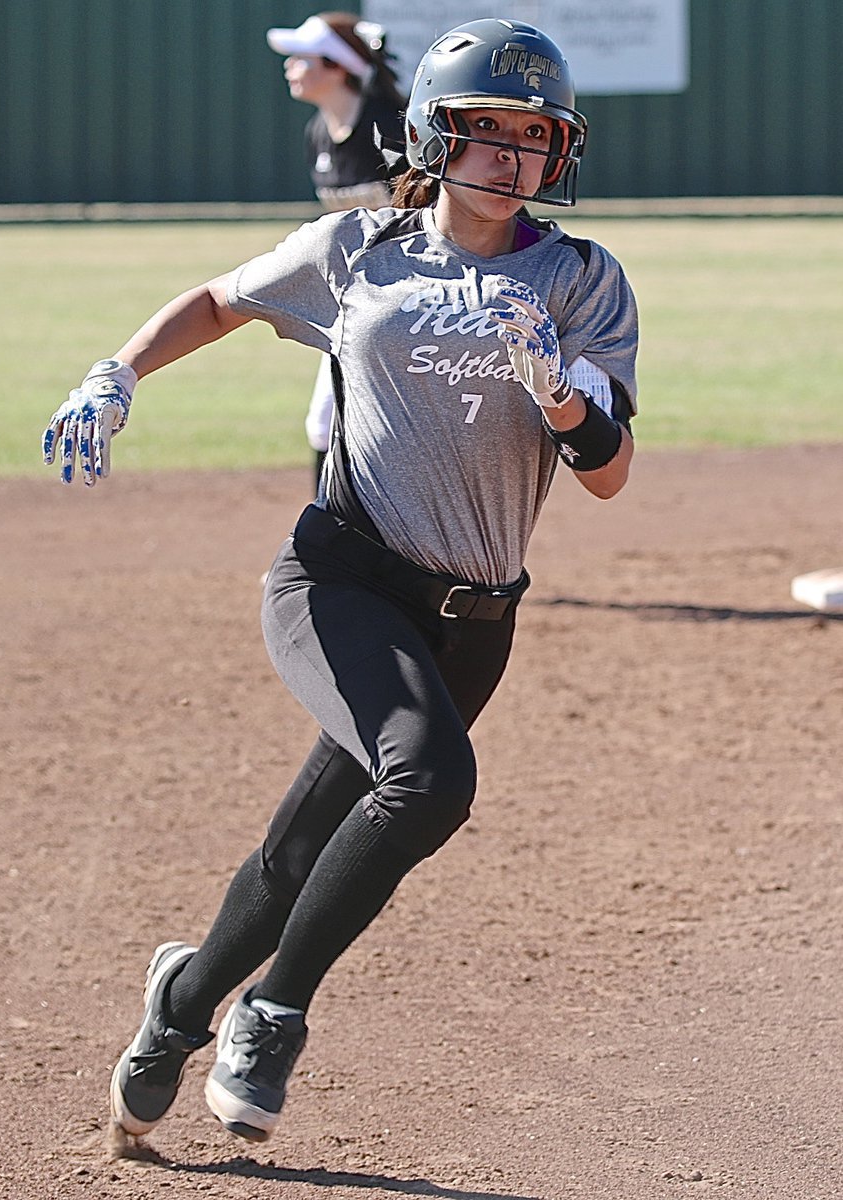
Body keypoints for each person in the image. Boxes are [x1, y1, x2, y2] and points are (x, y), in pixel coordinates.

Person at [42, 18, 638, 1148]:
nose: (510, 159)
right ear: (432, 134)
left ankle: (177, 1006)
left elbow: (606, 474)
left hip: (475, 619)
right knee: (426, 782)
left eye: (533, 136)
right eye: (484, 133)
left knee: (301, 850)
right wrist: (115, 374)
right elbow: (222, 299)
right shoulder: (362, 249)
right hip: (338, 577)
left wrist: (559, 391)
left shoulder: (580, 281)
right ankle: (274, 1012)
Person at [266, 11, 406, 493]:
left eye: (302, 58)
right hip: (359, 303)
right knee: (324, 422)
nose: (289, 67)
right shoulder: (318, 135)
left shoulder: (390, 129)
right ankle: (325, 551)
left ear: (338, 66)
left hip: (419, 300)